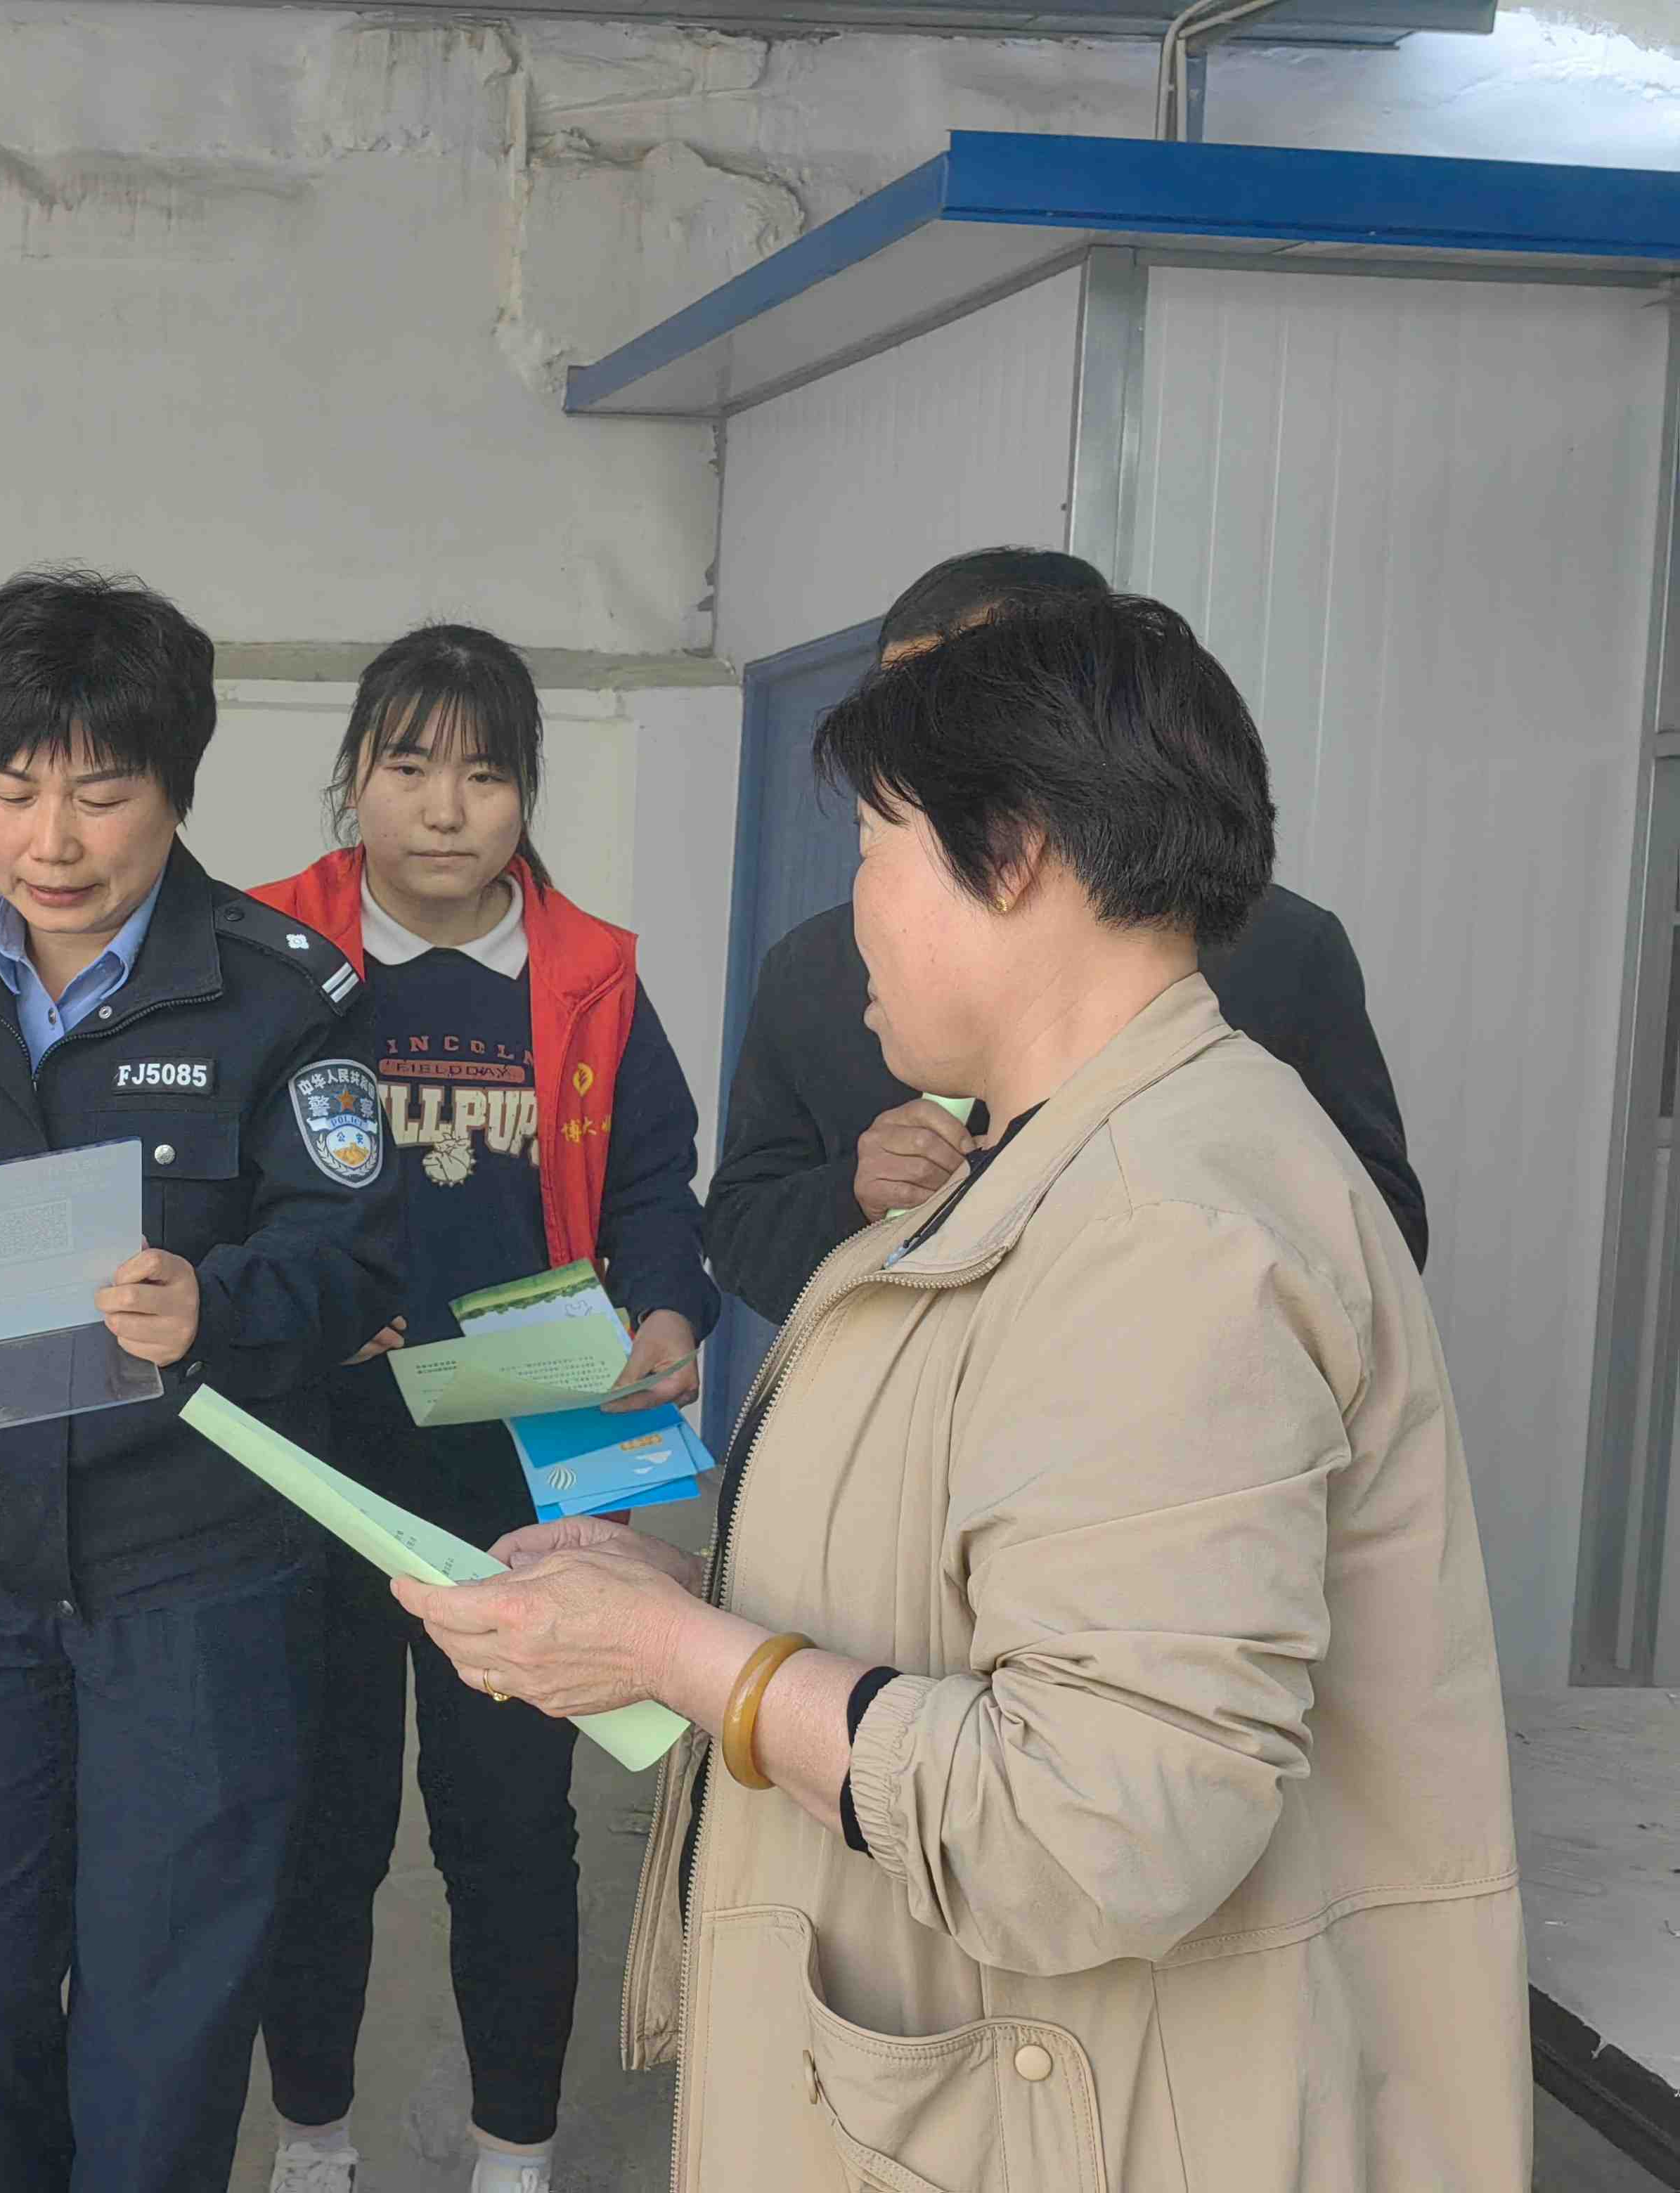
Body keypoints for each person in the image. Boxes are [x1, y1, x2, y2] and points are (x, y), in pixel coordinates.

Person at [396, 596, 1528, 2192]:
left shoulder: (1163, 1231)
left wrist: (673, 1655)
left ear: (1014, 857)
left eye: (872, 849)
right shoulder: (1065, 1160)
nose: (849, 913)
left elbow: (1100, 1825)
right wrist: (686, 1593)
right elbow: (1001, 1580)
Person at [0, 567, 399, 2193]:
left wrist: (216, 1302)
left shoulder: (286, 992)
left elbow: (358, 1256)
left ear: (176, 786)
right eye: (10, 788)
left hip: (197, 1582)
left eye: (101, 792)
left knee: (166, 2022)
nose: (52, 840)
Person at [247, 626, 718, 2193]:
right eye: (408, 766)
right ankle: (313, 2140)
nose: (446, 808)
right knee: (318, 1824)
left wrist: (670, 1308)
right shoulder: (265, 950)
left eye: (486, 773)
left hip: (524, 1465)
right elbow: (208, 1179)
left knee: (509, 1828)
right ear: (354, 776)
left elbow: (654, 1182)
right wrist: (294, 1294)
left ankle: (514, 2154)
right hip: (318, 1460)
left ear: (526, 792)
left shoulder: (590, 975)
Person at [704, 546, 1426, 1326]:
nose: (924, 743)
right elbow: (739, 1232)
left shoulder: (1279, 955)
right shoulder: (813, 969)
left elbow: (1372, 1236)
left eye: (963, 697)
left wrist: (1162, 1211)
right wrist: (851, 1194)